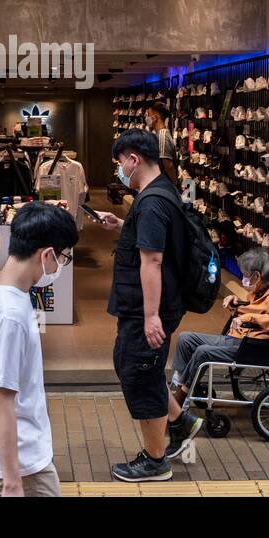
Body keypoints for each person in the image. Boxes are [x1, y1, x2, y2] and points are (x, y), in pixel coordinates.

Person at [0, 202, 79, 497]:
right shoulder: (10, 314)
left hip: (13, 449)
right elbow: (1, 399)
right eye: (63, 258)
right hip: (22, 460)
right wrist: (12, 481)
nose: (61, 267)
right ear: (46, 254)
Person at [96, 128, 185, 482]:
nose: (119, 170)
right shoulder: (160, 193)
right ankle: (180, 422)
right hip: (147, 306)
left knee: (140, 375)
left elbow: (152, 261)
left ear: (133, 160)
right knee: (133, 366)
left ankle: (155, 460)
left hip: (147, 309)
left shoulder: (151, 202)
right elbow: (149, 244)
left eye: (120, 163)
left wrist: (151, 317)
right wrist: (122, 225)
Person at [164, 249, 269, 455]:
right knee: (185, 339)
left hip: (253, 346)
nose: (242, 278)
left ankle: (178, 406)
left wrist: (247, 318)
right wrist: (237, 306)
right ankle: (180, 385)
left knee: (203, 352)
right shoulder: (263, 287)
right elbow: (255, 308)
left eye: (244, 275)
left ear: (257, 276)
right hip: (239, 339)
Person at [145, 101, 178, 187]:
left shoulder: (162, 136)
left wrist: (174, 185)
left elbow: (168, 165)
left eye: (148, 114)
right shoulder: (159, 134)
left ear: (156, 117)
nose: (147, 117)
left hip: (164, 185)